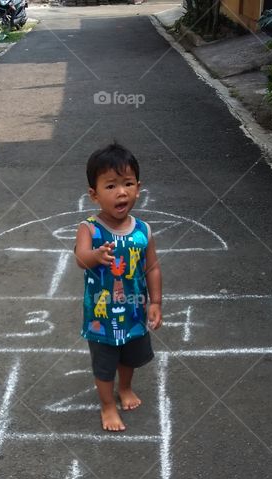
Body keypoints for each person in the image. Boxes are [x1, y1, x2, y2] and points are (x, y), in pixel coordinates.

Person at [74, 143, 162, 432]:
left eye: (127, 184)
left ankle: (125, 388)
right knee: (104, 364)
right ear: (94, 194)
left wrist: (156, 302)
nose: (120, 192)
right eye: (110, 186)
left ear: (138, 188)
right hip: (101, 317)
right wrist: (95, 256)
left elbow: (152, 267)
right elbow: (80, 259)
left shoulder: (143, 230)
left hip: (134, 312)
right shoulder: (90, 228)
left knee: (129, 357)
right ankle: (107, 405)